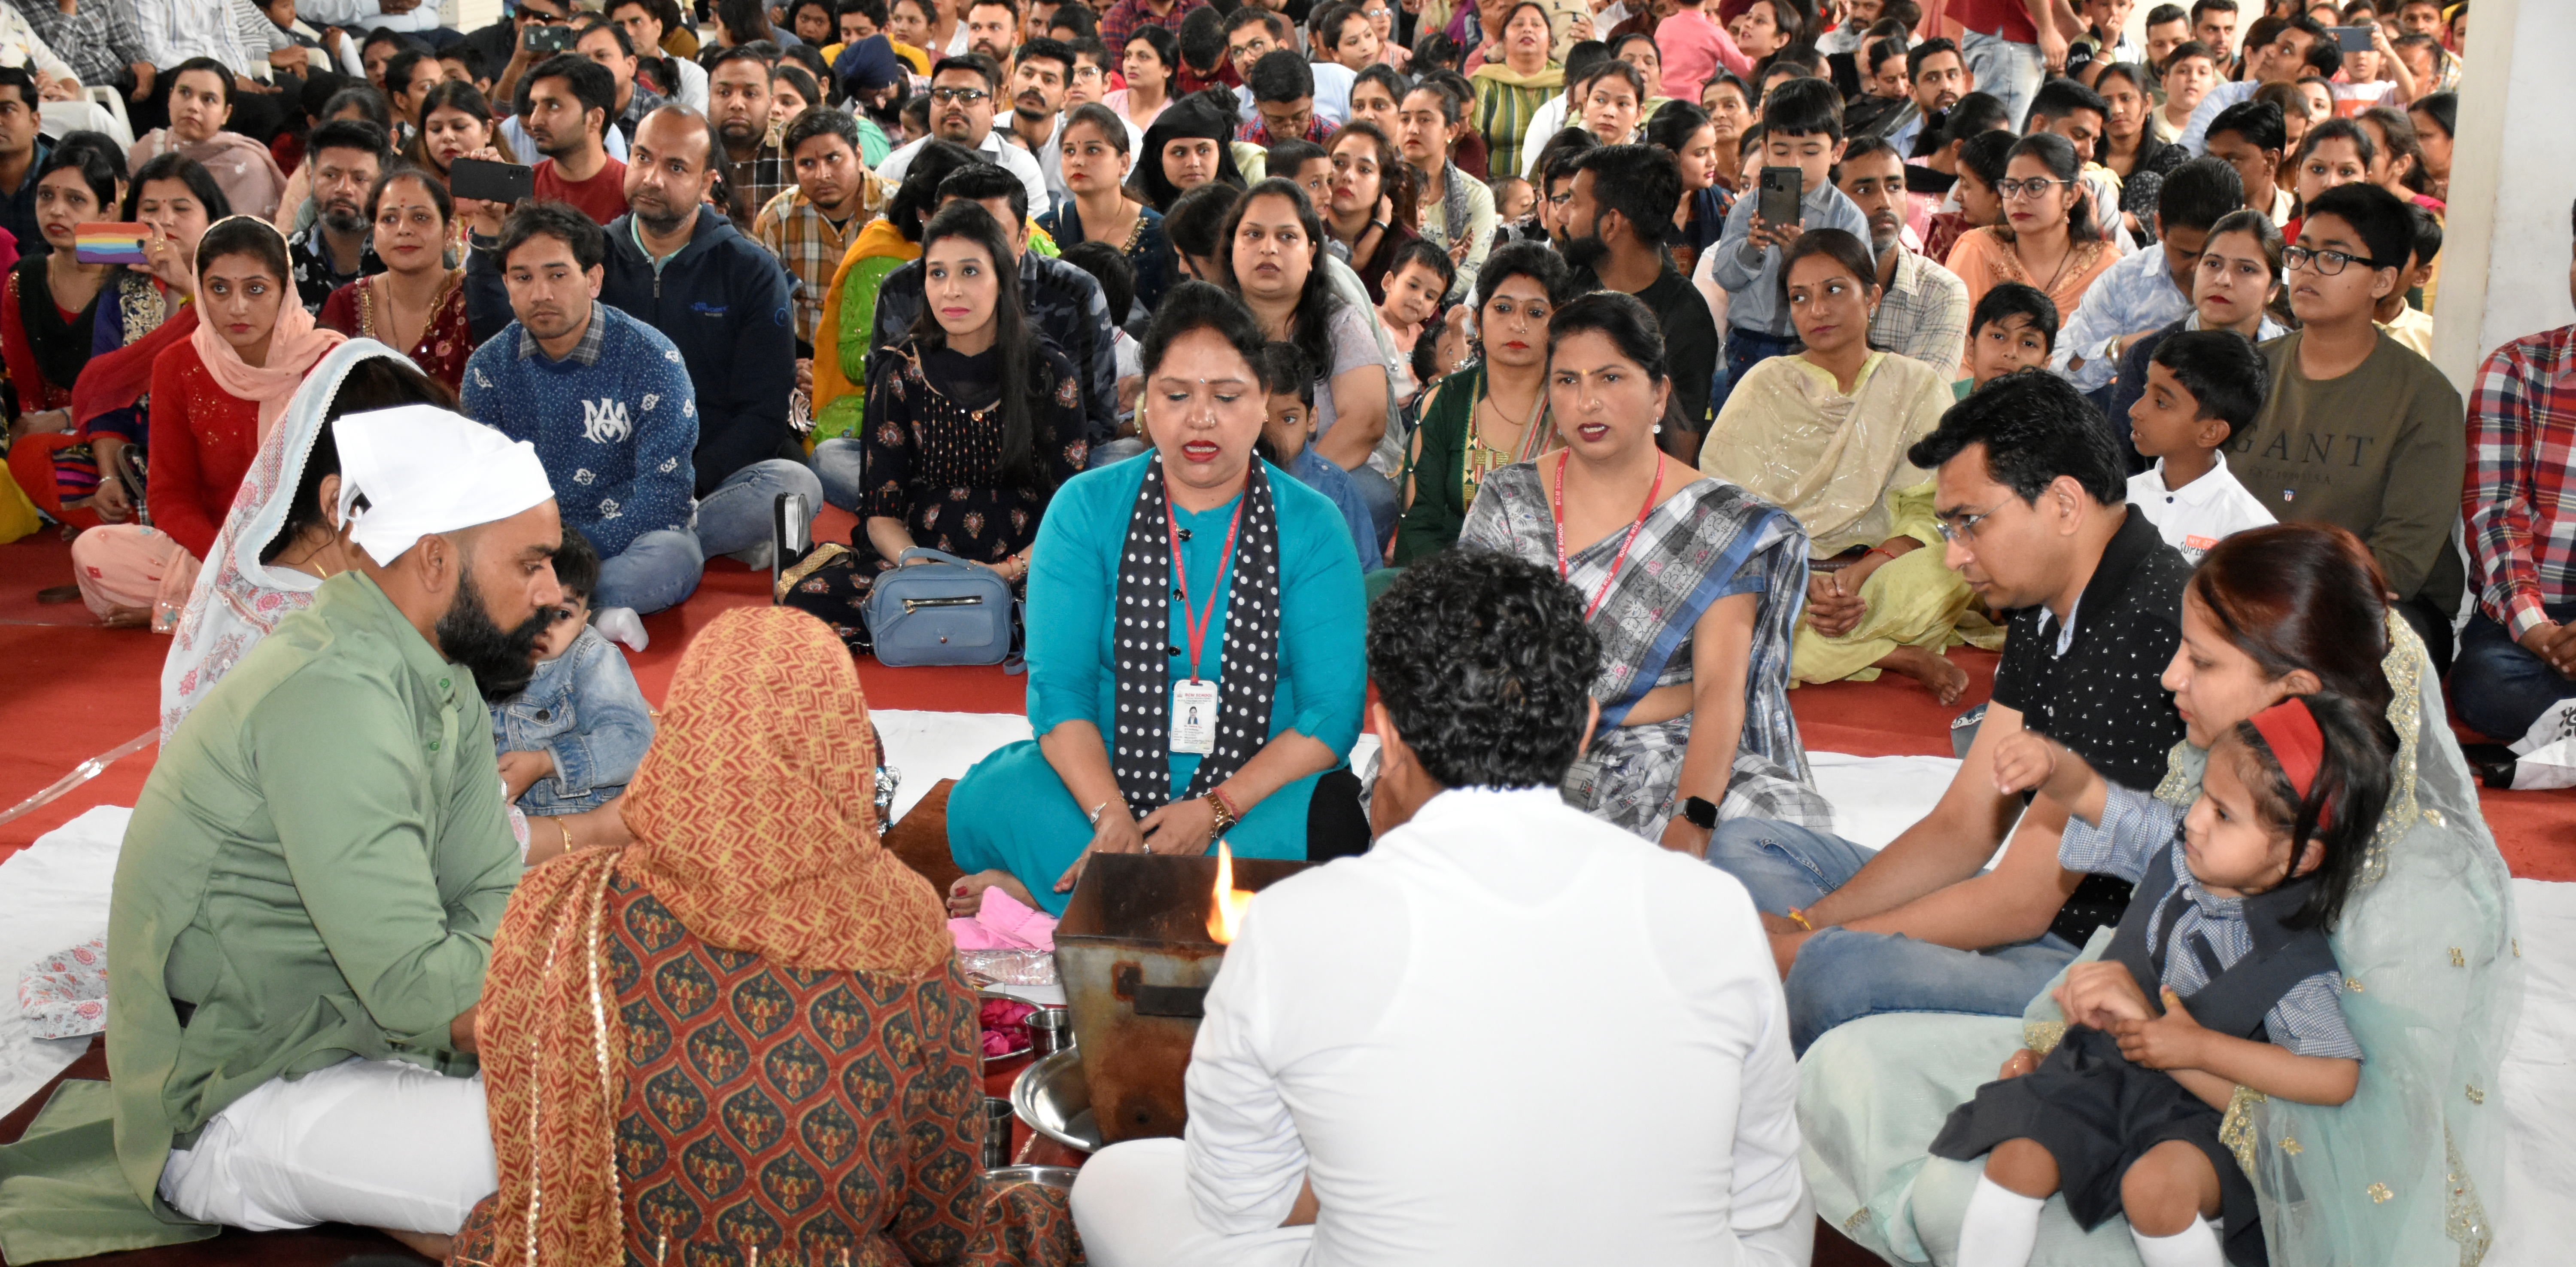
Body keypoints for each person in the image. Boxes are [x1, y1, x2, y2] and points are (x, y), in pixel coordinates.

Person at [1797, 523, 2518, 1267]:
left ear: (2293, 690)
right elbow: (2146, 919)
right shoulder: (2219, 781)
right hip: (2129, 1068)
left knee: (1957, 1197)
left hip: (2234, 1169)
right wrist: (2070, 1051)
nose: (2172, 677)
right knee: (1847, 1065)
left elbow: (2341, 1144)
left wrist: (2162, 1046)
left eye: (2201, 660)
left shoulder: (2416, 893)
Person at [1067, 547, 1812, 1267]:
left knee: (1118, 1180)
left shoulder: (1296, 925)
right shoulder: (1712, 910)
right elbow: (1763, 1204)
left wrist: (1359, 1176)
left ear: (1387, 734)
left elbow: (1239, 1204)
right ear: (1585, 725)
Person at [0, 406, 557, 1264]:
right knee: (564, 1152)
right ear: (437, 560)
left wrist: (501, 975)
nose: (551, 593)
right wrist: (548, 997)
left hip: (344, 1032)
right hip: (234, 1087)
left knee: (584, 1111)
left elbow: (493, 885)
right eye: (531, 563)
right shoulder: (335, 692)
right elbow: (420, 988)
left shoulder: (435, 665)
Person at [441, 603, 1068, 1267]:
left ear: (681, 735)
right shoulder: (898, 928)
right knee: (1054, 1219)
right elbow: (941, 1225)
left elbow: (530, 1162)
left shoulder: (565, 907)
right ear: (840, 744)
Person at [1706, 370, 2196, 1054]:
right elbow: (1967, 823)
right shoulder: (2045, 590)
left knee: (1834, 971)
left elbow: (2024, 900)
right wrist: (1803, 921)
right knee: (1746, 843)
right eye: (1948, 527)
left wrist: (1808, 944)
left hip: (2097, 954)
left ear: (2062, 502)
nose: (1956, 554)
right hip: (2024, 904)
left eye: (1970, 523)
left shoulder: (2143, 629)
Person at [943, 281, 1368, 916]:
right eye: (1176, 396)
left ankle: (1066, 899)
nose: (1201, 418)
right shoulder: (1085, 509)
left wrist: (1216, 810)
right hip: (1100, 782)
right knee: (984, 800)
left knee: (1334, 823)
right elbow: (1060, 693)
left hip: (1254, 794)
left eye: (1227, 397)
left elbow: (1330, 716)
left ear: (1262, 405)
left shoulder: (1312, 523)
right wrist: (1109, 814)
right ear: (1145, 407)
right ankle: (1173, 902)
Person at [1938, 692, 2383, 1267]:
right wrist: (2052, 763)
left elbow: (2335, 1075)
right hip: (2110, 1069)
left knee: (2155, 1190)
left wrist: (2198, 1045)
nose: (2195, 818)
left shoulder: (2294, 962)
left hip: (2203, 1109)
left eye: (2224, 813)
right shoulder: (2176, 848)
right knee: (2018, 1152)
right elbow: (2095, 797)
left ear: (2299, 859)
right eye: (2203, 794)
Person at [1461, 289, 1825, 847]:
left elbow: (1720, 689)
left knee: (1768, 824)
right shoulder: (1510, 498)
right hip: (1525, 737)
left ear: (1659, 396)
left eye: (1610, 378)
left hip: (1666, 746)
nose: (1587, 401)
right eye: (1567, 380)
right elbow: (1470, 657)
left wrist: (1694, 817)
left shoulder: (1717, 520)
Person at [472, 106, 814, 571]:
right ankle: (647, 556)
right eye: (642, 158)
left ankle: (640, 553)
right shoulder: (589, 257)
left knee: (794, 485)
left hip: (706, 472)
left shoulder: (748, 268)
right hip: (600, 465)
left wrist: (676, 486)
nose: (653, 178)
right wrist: (489, 231)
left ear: (708, 181)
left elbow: (762, 410)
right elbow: (512, 334)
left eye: (676, 167)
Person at [1701, 229, 1994, 702]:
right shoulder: (1765, 383)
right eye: (1800, 297)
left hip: (1881, 569)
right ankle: (1897, 655)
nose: (1817, 310)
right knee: (1724, 607)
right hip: (1784, 573)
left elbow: (1933, 507)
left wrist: (1862, 573)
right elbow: (1728, 506)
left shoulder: (1915, 385)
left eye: (1834, 290)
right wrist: (1803, 580)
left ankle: (1825, 639)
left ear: (1872, 295)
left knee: (1956, 565)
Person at [70, 217, 349, 625]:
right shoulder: (178, 365)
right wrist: (230, 560)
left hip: (311, 544)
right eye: (219, 289)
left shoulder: (330, 361)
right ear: (199, 291)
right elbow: (170, 497)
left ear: (284, 289)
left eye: (256, 289)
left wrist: (280, 553)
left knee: (371, 562)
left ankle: (200, 610)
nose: (237, 307)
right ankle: (246, 604)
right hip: (215, 546)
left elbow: (349, 488)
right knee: (96, 553)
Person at [2232, 181, 2464, 671]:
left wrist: (2287, 600)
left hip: (2372, 604)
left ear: (2383, 281)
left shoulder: (2424, 398)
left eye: (2333, 259)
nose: (2308, 271)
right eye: (2301, 254)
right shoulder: (2249, 371)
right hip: (2245, 588)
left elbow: (2399, 561)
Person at [463, 202, 703, 639]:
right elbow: (483, 494)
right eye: (523, 278)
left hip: (623, 539)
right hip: (529, 546)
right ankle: (589, 615)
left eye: (557, 275)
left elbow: (663, 496)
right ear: (506, 284)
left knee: (673, 559)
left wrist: (565, 559)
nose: (540, 294)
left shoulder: (652, 358)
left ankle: (545, 610)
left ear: (593, 279)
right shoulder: (488, 369)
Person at [829, 200, 1085, 599]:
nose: (951, 290)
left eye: (970, 271)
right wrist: (921, 570)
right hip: (923, 555)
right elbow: (881, 513)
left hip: (1029, 562)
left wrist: (1006, 571)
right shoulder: (900, 370)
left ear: (1002, 276)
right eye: (937, 273)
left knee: (1094, 603)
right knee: (809, 597)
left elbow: (1072, 511)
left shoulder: (1047, 370)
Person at [869, 162, 1120, 463]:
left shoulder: (1074, 291)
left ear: (1023, 240)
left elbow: (1096, 420)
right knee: (832, 458)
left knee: (1118, 457)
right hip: (934, 460)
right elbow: (883, 409)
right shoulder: (903, 287)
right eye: (957, 229)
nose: (973, 246)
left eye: (992, 233)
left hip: (1038, 460)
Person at [1217, 178, 1394, 533]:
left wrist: (1283, 491)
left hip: (1318, 480)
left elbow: (1365, 422)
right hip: (1218, 474)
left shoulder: (1340, 323)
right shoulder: (1206, 324)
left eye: (1287, 237)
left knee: (1369, 495)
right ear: (1232, 247)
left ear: (1312, 253)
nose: (1268, 248)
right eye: (1253, 234)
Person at [2459, 207, 2576, 742]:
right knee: (2489, 686)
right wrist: (2537, 631)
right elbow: (2496, 515)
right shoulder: (2519, 369)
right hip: (2528, 614)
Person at [1710, 78, 1872, 422]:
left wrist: (1804, 256)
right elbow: (1725, 275)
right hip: (1750, 344)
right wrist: (1751, 248)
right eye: (1782, 151)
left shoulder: (1845, 216)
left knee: (1809, 432)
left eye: (1811, 152)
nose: (1795, 163)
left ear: (1838, 151)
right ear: (1765, 149)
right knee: (1746, 430)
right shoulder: (1746, 210)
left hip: (1818, 346)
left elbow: (1858, 290)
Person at [1394, 241, 1563, 563]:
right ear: (1477, 320)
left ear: (1557, 321)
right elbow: (1420, 525)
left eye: (1536, 312)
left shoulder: (1573, 403)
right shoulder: (1446, 400)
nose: (1518, 324)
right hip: (1457, 588)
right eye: (1502, 308)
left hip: (1554, 590)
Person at [809, 139, 979, 452]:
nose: (975, 223)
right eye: (960, 211)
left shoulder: (992, 252)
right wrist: (929, 352)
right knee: (834, 459)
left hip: (979, 403)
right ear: (924, 213)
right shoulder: (881, 257)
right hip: (887, 407)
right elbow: (852, 358)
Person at [1561, 144, 1721, 454]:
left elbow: (1680, 448)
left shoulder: (1685, 318)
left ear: (1611, 224)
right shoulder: (1568, 285)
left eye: (1574, 202)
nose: (1562, 213)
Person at [488, 526, 654, 819]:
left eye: (562, 615)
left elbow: (634, 742)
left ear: (583, 622)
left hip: (578, 816)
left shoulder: (589, 657)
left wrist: (545, 763)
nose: (543, 628)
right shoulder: (481, 651)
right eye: (531, 608)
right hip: (496, 817)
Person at [2054, 157, 2242, 404]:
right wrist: (2117, 352)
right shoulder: (2125, 280)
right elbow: (2061, 370)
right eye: (2186, 254)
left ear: (2243, 223)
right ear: (2159, 226)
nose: (2199, 269)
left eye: (2213, 258)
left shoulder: (2262, 281)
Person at [2108, 207, 2291, 451]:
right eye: (2213, 264)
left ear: (2273, 289)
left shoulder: (2292, 359)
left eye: (2246, 269)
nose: (2223, 280)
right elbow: (2123, 462)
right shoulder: (2148, 355)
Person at [0, 142, 119, 505]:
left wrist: (67, 416)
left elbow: (138, 385)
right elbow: (27, 390)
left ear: (108, 212)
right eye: (46, 196)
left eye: (76, 200)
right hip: (51, 437)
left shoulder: (130, 277)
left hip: (120, 430)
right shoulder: (25, 278)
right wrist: (40, 423)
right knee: (27, 454)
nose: (57, 210)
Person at [1944, 133, 2119, 351]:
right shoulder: (1978, 248)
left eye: (2035, 187)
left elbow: (2111, 362)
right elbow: (1951, 346)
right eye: (2010, 187)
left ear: (2071, 196)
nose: (2018, 199)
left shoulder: (2107, 267)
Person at [2124, 328, 2277, 566]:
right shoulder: (2119, 498)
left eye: (2161, 403)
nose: (2135, 410)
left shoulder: (2247, 532)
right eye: (2146, 390)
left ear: (2210, 432)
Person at [316, 166, 471, 390]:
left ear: (449, 233)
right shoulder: (345, 305)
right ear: (375, 237)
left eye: (420, 217)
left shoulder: (474, 298)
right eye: (389, 219)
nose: (404, 229)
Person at [1838, 135, 1971, 380]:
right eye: (1864, 190)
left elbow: (1921, 399)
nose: (1884, 203)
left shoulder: (1941, 292)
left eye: (1894, 187)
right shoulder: (1810, 282)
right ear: (1833, 201)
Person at [754, 106, 875, 350]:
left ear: (859, 157)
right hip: (807, 353)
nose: (822, 175)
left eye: (833, 158)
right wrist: (792, 364)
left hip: (883, 355)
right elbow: (763, 310)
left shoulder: (897, 210)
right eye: (807, 164)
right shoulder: (776, 220)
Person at [1039, 101, 1173, 317]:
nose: (1078, 161)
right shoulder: (1045, 232)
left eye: (1093, 150)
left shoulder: (1159, 234)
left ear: (1124, 163)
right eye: (1069, 151)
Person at [1258, 340, 1381, 571]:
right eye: (1262, 420)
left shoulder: (1337, 490)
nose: (1273, 435)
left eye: (1288, 419)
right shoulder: (1230, 481)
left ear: (1312, 419)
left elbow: (1365, 573)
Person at [877, 54, 1053, 216]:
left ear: (993, 109)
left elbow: (1031, 241)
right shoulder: (897, 168)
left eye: (969, 96)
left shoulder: (1019, 167)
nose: (954, 105)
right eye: (943, 95)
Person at [125, 58, 290, 222]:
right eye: (185, 93)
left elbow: (249, 240)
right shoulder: (149, 148)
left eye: (209, 99)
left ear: (226, 113)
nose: (193, 106)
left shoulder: (248, 165)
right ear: (170, 97)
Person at [1398, 75, 1495, 301]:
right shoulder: (1379, 184)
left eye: (1425, 120)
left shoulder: (1475, 196)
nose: (1412, 129)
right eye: (1404, 120)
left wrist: (1423, 300)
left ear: (1450, 131)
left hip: (1444, 309)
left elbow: (1470, 271)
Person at [519, 52, 629, 224]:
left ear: (595, 118)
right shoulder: (523, 188)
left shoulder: (632, 191)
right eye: (534, 106)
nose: (535, 120)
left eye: (553, 106)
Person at [1320, 120, 1417, 304]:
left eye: (1364, 169)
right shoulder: (1303, 227)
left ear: (1382, 185)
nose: (1348, 176)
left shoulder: (1407, 248)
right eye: (1339, 163)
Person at [1467, 3, 1558, 180]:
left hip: (1555, 199)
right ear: (1503, 40)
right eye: (1518, 25)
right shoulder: (1485, 82)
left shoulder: (1566, 82)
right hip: (1498, 197)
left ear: (1550, 39)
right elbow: (1472, 147)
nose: (1527, 30)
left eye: (1536, 25)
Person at [1133, 87, 1249, 213]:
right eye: (1179, 153)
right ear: (1160, 158)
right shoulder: (1135, 213)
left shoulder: (1243, 211)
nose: (1193, 163)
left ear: (1220, 154)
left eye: (1204, 151)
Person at [1874, 37, 1971, 165]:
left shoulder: (1983, 137)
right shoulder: (1892, 152)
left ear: (1965, 83)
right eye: (1932, 78)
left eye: (1952, 76)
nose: (1946, 86)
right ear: (1913, 92)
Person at [2202, 97, 2293, 224]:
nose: (2216, 169)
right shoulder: (2192, 218)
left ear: (2271, 161)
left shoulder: (2300, 221)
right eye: (2212, 158)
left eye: (2232, 160)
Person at [1962, 282, 2060, 396]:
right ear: (1970, 348)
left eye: (2028, 344)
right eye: (1998, 337)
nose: (2011, 353)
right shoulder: (1942, 400)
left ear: (2044, 365)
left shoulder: (2051, 413)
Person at [1109, 23, 1181, 129]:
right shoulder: (1109, 104)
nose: (1131, 64)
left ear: (1167, 70)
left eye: (1143, 57)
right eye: (1128, 56)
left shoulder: (1178, 114)